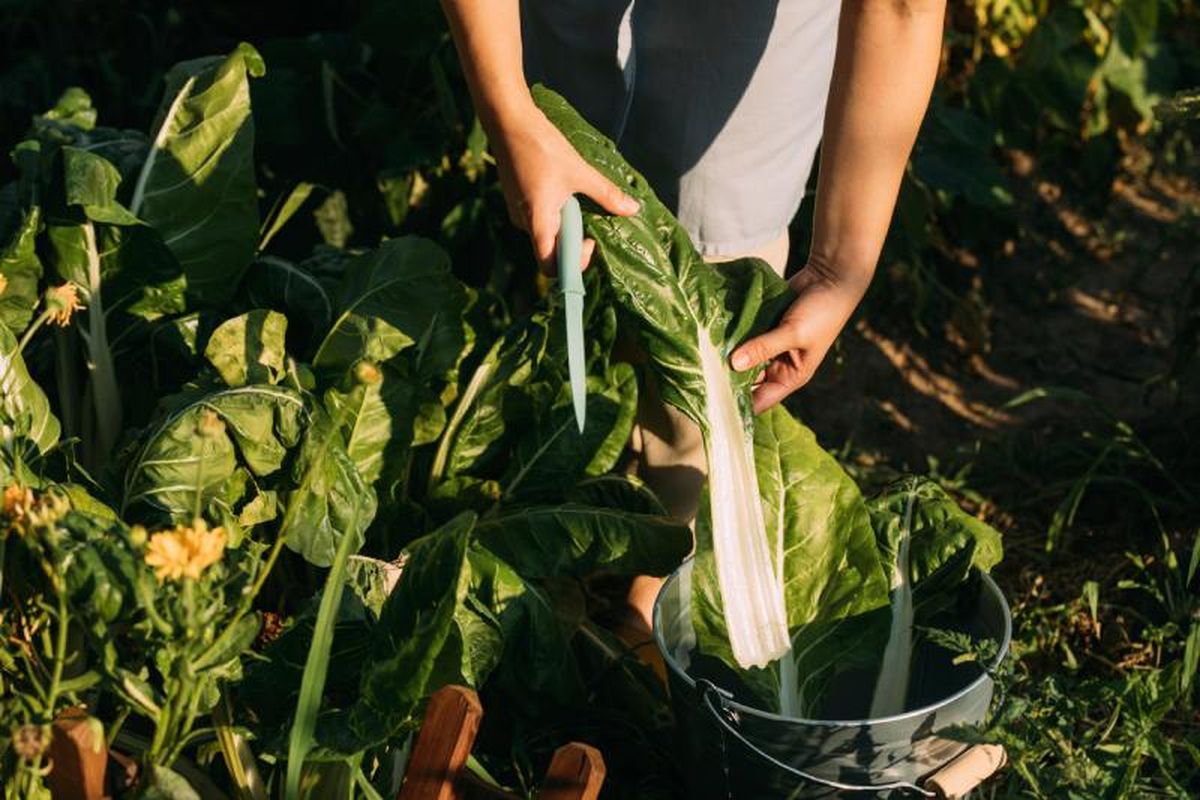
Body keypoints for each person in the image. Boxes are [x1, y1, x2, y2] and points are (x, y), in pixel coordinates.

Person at [440, 0, 947, 643]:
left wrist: (839, 264)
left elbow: (901, 9)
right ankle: (580, 484)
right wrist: (508, 113)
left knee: (710, 301)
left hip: (743, 83)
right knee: (559, 249)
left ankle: (660, 572)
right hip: (563, 35)